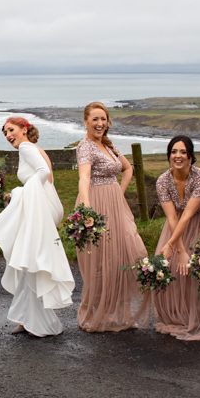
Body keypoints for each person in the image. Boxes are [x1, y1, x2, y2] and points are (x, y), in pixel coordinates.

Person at [0, 117, 75, 336]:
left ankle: (36, 323)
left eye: (11, 130)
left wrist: (19, 192)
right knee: (29, 264)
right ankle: (27, 320)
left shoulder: (26, 148)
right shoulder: (33, 148)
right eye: (5, 133)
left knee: (29, 263)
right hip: (43, 205)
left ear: (24, 129)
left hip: (41, 208)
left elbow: (43, 173)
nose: (8, 135)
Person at [75, 102, 151, 332]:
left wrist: (119, 191)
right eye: (95, 119)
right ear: (86, 122)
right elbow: (84, 178)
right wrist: (86, 207)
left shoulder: (108, 145)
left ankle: (122, 314)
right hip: (96, 205)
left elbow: (127, 168)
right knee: (102, 262)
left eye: (103, 119)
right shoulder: (85, 147)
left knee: (130, 253)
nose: (100, 123)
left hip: (115, 205)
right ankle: (100, 315)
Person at [151, 136, 200, 340]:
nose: (178, 156)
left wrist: (172, 245)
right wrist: (178, 249)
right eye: (173, 152)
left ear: (190, 156)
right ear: (169, 155)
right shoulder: (162, 181)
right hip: (177, 223)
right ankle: (183, 318)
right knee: (174, 267)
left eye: (183, 152)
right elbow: (173, 218)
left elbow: (187, 215)